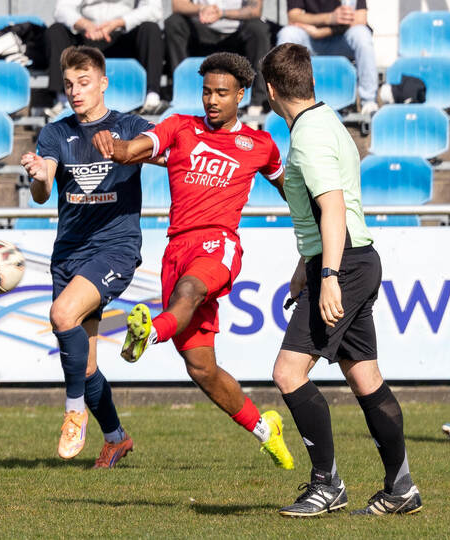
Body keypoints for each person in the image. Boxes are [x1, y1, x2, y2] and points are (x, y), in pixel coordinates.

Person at [92, 52, 294, 469]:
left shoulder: (260, 145)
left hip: (218, 244)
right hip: (177, 249)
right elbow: (133, 150)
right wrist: (115, 147)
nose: (212, 100)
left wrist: (319, 223)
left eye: (222, 93)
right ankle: (265, 430)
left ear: (241, 95)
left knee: (190, 290)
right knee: (201, 368)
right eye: (206, 92)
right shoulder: (180, 127)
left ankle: (150, 333)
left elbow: (289, 188)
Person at [260, 43, 422, 517]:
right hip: (352, 259)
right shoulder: (327, 120)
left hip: (343, 264)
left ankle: (326, 485)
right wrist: (305, 266)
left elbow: (332, 206)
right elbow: (331, 209)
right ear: (310, 81)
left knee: (288, 372)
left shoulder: (308, 136)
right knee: (365, 377)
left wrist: (327, 275)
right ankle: (401, 489)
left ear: (271, 91)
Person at [21, 45, 157, 468]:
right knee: (85, 365)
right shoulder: (55, 133)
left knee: (62, 314)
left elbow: (162, 149)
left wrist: (125, 148)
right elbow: (42, 191)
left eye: (84, 83)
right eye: (68, 85)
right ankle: (116, 438)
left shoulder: (129, 125)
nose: (75, 91)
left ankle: (74, 411)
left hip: (115, 248)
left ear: (102, 83)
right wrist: (39, 175)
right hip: (69, 254)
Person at [45, 0, 165, 116]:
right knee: (56, 30)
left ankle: (152, 97)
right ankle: (63, 99)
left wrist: (120, 22)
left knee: (151, 28)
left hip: (124, 34)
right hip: (86, 36)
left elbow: (154, 9)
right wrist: (85, 24)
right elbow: (62, 9)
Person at [165, 1, 271, 115]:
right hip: (200, 31)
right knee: (174, 22)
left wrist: (222, 13)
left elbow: (255, 10)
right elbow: (178, 5)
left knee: (258, 28)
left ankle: (257, 101)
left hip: (237, 33)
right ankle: (183, 93)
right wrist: (202, 9)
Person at [277, 0, 379, 116]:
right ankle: (286, 102)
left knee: (362, 34)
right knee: (287, 34)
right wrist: (329, 18)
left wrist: (323, 31)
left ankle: (369, 101)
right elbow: (293, 17)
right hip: (310, 39)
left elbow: (360, 18)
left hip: (341, 38)